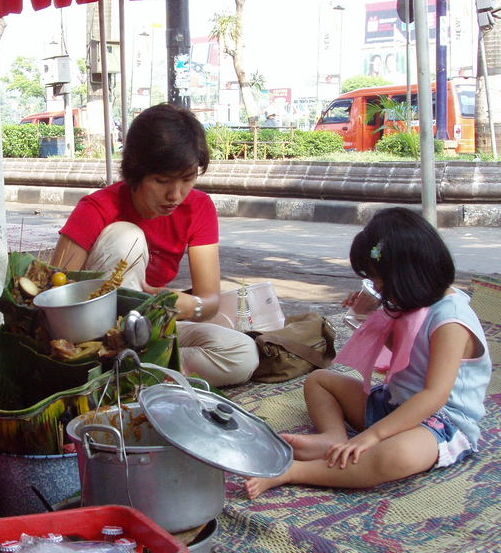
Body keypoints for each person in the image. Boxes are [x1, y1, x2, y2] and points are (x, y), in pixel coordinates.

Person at [245, 207, 491, 499]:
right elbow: (404, 352)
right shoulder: (417, 304)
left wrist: (371, 436)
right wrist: (367, 315)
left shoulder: (451, 320)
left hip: (439, 421)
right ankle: (333, 438)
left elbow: (434, 396)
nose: (378, 289)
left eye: (380, 282)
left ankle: (297, 471)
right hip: (395, 404)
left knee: (396, 456)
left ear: (409, 275)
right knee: (320, 380)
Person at [51, 103, 259, 387]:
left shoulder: (199, 207)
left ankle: (143, 370)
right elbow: (52, 294)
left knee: (243, 354)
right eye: (162, 181)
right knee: (127, 236)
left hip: (152, 325)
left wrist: (184, 305)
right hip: (93, 333)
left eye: (187, 179)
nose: (175, 194)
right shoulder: (97, 208)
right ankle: (129, 366)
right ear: (137, 172)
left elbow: (209, 301)